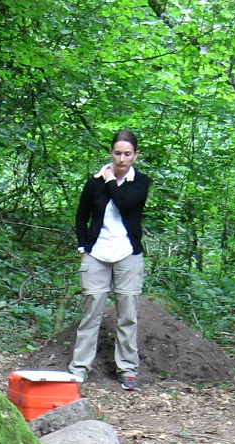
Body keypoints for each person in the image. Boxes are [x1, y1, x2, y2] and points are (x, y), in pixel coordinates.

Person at [69, 129, 151, 391]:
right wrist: (84, 246)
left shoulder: (141, 182)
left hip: (128, 254)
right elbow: (81, 216)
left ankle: (127, 368)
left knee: (127, 313)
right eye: (117, 153)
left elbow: (125, 202)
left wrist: (109, 181)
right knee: (91, 312)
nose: (122, 159)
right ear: (110, 153)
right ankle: (79, 368)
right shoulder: (93, 182)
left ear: (136, 155)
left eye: (128, 154)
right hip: (97, 254)